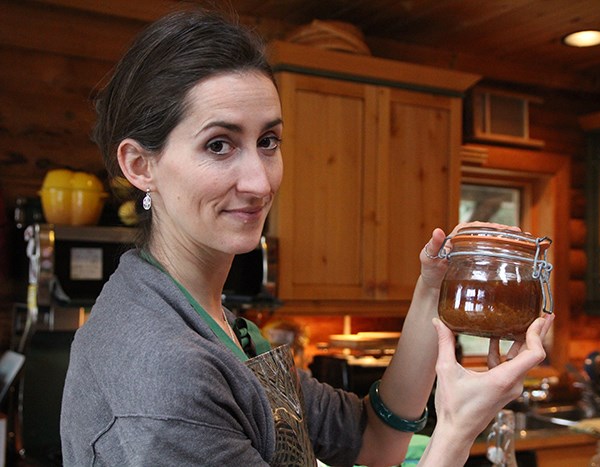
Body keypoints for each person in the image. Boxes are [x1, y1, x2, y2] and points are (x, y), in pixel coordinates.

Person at [60, 8, 553, 467]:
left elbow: (371, 440)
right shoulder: (164, 371)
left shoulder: (220, 326)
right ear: (140, 165)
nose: (259, 181)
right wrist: (458, 428)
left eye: (268, 141)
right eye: (219, 145)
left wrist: (432, 285)